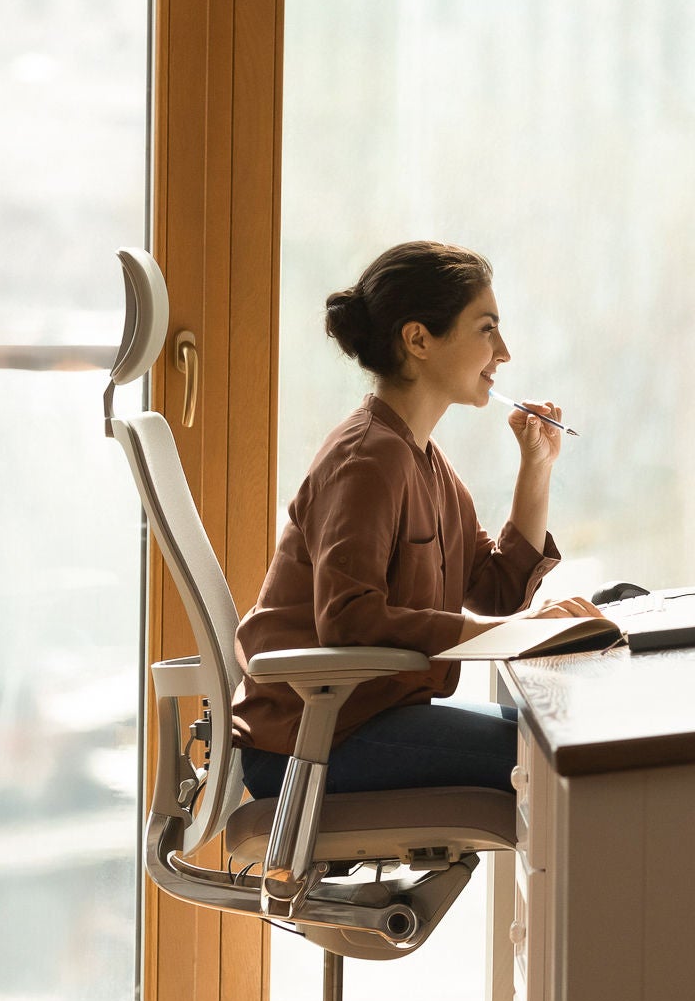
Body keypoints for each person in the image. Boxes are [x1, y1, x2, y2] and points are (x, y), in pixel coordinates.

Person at [231, 240, 601, 799]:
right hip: (309, 744)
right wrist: (511, 633)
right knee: (553, 754)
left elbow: (496, 590)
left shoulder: (421, 457)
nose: (504, 352)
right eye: (486, 329)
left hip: (357, 725)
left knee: (555, 734)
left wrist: (537, 468)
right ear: (418, 339)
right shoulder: (368, 459)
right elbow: (349, 620)